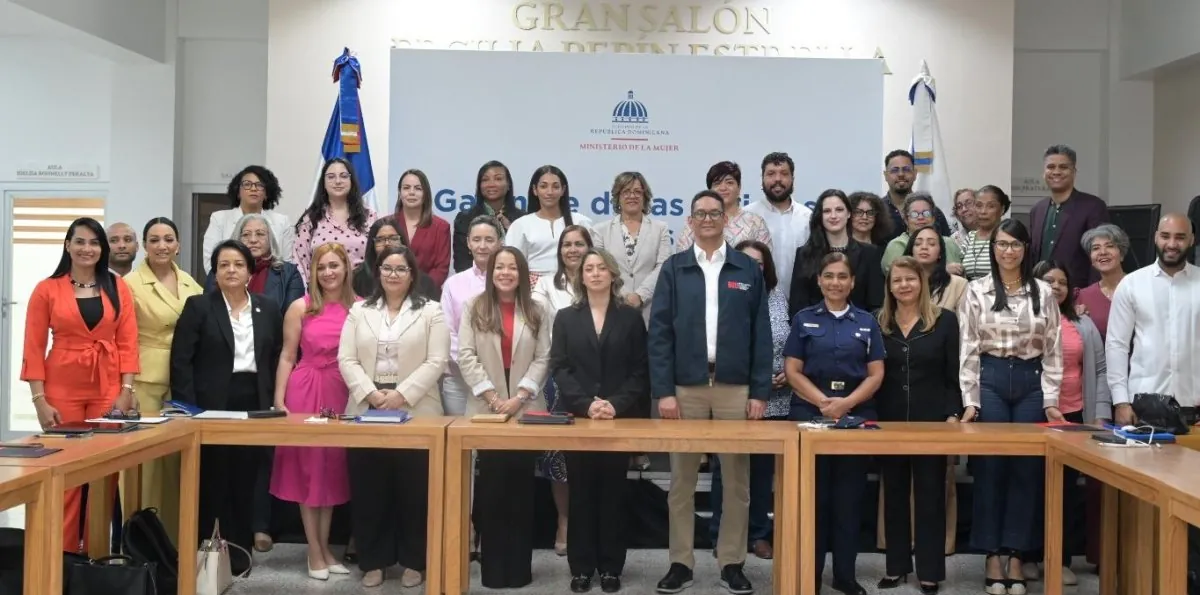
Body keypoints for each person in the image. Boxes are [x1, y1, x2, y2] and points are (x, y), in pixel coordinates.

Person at [649, 190, 771, 595]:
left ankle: (732, 562)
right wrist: (664, 392)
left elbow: (761, 335)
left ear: (724, 218)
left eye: (713, 213)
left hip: (735, 388)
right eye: (699, 213)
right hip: (686, 388)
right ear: (690, 220)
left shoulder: (745, 269)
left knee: (737, 481)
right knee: (682, 480)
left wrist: (759, 392)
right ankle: (680, 563)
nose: (706, 219)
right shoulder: (675, 268)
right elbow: (660, 334)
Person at [958, 219, 1064, 594]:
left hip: (1031, 384)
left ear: (1025, 248)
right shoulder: (976, 290)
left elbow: (1053, 349)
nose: (1008, 251)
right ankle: (990, 552)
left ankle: (1017, 553)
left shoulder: (1043, 291)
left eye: (1015, 244)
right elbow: (968, 347)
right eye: (1002, 244)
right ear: (994, 248)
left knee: (1027, 470)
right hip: (992, 379)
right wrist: (970, 400)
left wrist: (1051, 400)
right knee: (990, 467)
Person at [22, 217, 139, 552]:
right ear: (68, 245)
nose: (87, 249)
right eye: (81, 242)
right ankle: (63, 558)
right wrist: (39, 400)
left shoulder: (118, 287)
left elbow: (128, 342)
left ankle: (96, 557)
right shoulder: (47, 288)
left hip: (107, 385)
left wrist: (126, 391)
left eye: (94, 243)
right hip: (61, 387)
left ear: (102, 249)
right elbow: (32, 347)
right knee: (65, 475)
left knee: (104, 474)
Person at [338, 245, 448, 588]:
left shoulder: (431, 311)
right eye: (387, 268)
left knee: (415, 490)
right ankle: (374, 560)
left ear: (412, 274)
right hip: (366, 408)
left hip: (417, 408)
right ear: (377, 272)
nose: (393, 274)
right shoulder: (360, 311)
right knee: (370, 488)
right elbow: (346, 359)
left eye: (401, 269)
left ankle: (415, 560)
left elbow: (437, 360)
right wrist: (371, 393)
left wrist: (402, 394)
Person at [171, 240, 283, 573]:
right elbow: (181, 362)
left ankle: (239, 554)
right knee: (212, 481)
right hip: (211, 405)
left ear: (250, 271)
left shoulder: (267, 307)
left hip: (255, 403)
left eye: (237, 264)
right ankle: (207, 558)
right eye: (223, 265)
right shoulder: (199, 307)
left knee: (246, 480)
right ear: (215, 272)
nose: (231, 270)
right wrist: (188, 410)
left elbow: (275, 356)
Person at [549, 248, 650, 594]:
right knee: (581, 494)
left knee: (612, 494)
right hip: (579, 419)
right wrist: (587, 404)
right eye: (588, 268)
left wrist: (614, 405)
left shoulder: (630, 317)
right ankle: (581, 568)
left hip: (617, 419)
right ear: (581, 276)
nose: (594, 273)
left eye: (601, 268)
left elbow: (640, 370)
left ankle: (610, 567)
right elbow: (559, 368)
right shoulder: (565, 317)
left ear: (612, 274)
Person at [785, 252, 885, 595]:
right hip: (810, 414)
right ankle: (810, 574)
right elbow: (792, 371)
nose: (835, 282)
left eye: (843, 276)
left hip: (855, 417)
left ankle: (845, 575)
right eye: (829, 276)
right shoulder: (803, 319)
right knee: (813, 499)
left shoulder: (867, 321)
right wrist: (822, 403)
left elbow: (876, 374)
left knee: (849, 498)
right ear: (819, 280)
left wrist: (846, 404)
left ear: (852, 282)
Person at [205, 213, 303, 551]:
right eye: (246, 233)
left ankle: (255, 527)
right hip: (217, 392)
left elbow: (284, 337)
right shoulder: (208, 294)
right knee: (219, 466)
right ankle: (218, 535)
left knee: (257, 461)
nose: (253, 238)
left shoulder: (283, 275)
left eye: (261, 233)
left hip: (261, 384)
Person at [457, 247, 551, 590]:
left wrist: (519, 397)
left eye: (513, 267)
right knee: (491, 490)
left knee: (521, 490)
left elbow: (544, 357)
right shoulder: (474, 306)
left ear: (522, 273)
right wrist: (494, 398)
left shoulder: (538, 309)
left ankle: (519, 569)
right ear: (491, 271)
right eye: (500, 267)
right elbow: (465, 355)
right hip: (486, 410)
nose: (506, 272)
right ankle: (494, 569)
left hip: (525, 409)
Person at [271, 243, 357, 580]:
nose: (329, 273)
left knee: (332, 469)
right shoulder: (300, 307)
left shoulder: (360, 308)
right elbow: (286, 356)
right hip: (305, 388)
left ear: (346, 268)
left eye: (334, 266)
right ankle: (314, 551)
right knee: (308, 468)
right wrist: (280, 399)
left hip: (341, 390)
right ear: (313, 272)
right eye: (322, 267)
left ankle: (326, 548)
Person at [875, 256, 960, 594]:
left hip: (932, 421)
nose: (904, 285)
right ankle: (896, 567)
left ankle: (929, 571)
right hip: (889, 421)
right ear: (889, 286)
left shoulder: (945, 321)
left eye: (910, 279)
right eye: (897, 280)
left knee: (930, 496)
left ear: (921, 282)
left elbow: (954, 373)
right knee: (893, 493)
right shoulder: (877, 322)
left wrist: (953, 412)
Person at [709, 240, 793, 560]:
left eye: (759, 263)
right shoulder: (723, 295)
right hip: (733, 393)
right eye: (746, 261)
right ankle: (721, 533)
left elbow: (790, 340)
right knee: (726, 469)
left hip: (776, 398)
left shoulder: (778, 297)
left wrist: (788, 370)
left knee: (760, 472)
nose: (753, 267)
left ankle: (758, 533)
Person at [125, 217, 203, 543]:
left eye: (168, 239)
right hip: (146, 381)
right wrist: (125, 387)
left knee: (178, 466)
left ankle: (175, 545)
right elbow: (124, 338)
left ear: (178, 244)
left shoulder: (190, 282)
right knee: (146, 469)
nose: (162, 246)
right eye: (154, 240)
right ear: (145, 245)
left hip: (183, 382)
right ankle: (142, 545)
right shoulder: (129, 283)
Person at [1033, 259, 1110, 585]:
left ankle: (1060, 559)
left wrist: (1100, 414)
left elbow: (1101, 370)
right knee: (1032, 489)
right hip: (1033, 414)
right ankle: (1028, 556)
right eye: (1049, 280)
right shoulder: (1026, 319)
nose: (1055, 287)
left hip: (1074, 415)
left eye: (1061, 282)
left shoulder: (1082, 323)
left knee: (1065, 491)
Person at [533, 225, 594, 555]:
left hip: (598, 379)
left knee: (592, 451)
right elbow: (541, 328)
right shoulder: (544, 284)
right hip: (558, 378)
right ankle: (565, 520)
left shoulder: (600, 279)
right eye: (567, 245)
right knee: (558, 454)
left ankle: (590, 521)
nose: (573, 250)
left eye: (579, 244)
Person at [1107, 213, 1200, 426]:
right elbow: (1116, 345)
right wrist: (1121, 402)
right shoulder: (1131, 284)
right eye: (1166, 236)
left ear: (1192, 240)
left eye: (1180, 237)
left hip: (1194, 409)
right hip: (1144, 406)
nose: (1172, 244)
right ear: (1156, 237)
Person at [591, 171, 672, 325]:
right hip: (612, 311)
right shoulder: (600, 231)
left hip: (650, 313)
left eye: (637, 191)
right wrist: (622, 298)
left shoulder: (660, 229)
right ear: (617, 197)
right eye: (626, 191)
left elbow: (664, 266)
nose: (632, 196)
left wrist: (640, 296)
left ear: (645, 196)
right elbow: (600, 268)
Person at [441, 216, 502, 416]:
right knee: (459, 442)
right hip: (459, 380)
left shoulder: (510, 281)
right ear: (468, 243)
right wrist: (473, 370)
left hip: (502, 378)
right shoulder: (454, 283)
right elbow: (448, 333)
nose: (482, 246)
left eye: (489, 240)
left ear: (500, 242)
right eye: (476, 239)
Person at [789, 189, 884, 317]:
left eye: (839, 210)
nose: (833, 216)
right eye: (827, 211)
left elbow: (876, 305)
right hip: (814, 332)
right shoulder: (804, 254)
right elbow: (797, 306)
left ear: (849, 213)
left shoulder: (870, 254)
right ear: (820, 216)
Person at [1029, 144, 1110, 289]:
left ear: (1074, 171)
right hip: (1041, 294)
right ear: (1044, 172)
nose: (1056, 172)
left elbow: (1099, 256)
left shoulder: (1093, 207)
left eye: (1063, 167)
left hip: (1077, 295)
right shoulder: (1037, 210)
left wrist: (1091, 295)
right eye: (1051, 167)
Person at [292, 157, 378, 285]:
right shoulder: (310, 219)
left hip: (362, 292)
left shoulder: (369, 216)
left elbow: (378, 257)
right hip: (322, 293)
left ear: (351, 181)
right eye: (331, 177)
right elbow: (300, 262)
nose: (338, 181)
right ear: (323, 183)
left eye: (343, 176)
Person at [744, 152, 813, 300]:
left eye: (784, 174)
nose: (777, 179)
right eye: (771, 174)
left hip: (799, 303)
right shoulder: (747, 215)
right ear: (762, 179)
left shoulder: (808, 217)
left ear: (792, 179)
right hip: (754, 302)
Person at [203, 165, 294, 272]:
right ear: (238, 192)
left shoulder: (282, 222)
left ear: (266, 194)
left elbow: (287, 263)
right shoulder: (219, 219)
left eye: (259, 185)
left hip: (272, 284)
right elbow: (211, 262)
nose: (253, 188)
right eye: (247, 184)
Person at [505, 165, 594, 276]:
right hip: (533, 287)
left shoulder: (581, 222)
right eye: (543, 186)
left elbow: (593, 258)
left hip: (575, 283)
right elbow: (511, 262)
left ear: (563, 190)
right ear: (535, 190)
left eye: (555, 187)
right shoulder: (521, 225)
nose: (550, 192)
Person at [675, 161, 771, 252]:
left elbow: (764, 261)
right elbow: (682, 259)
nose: (723, 188)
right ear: (710, 190)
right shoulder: (696, 222)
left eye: (729, 182)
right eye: (717, 183)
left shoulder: (756, 223)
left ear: (739, 187)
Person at [452, 160, 525, 272]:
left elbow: (527, 257)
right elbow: (461, 263)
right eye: (485, 180)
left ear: (508, 184)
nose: (491, 184)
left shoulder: (523, 219)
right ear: (479, 186)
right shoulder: (465, 218)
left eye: (498, 179)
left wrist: (512, 230)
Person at [394, 168, 451, 292]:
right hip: (391, 291)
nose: (411, 192)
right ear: (400, 192)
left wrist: (419, 289)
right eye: (406, 188)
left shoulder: (441, 227)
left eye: (418, 188)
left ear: (426, 194)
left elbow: (441, 268)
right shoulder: (387, 224)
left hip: (427, 295)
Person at [352, 216, 436, 300]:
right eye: (380, 240)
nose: (387, 244)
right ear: (372, 245)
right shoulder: (358, 279)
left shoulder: (424, 282)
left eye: (393, 238)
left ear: (402, 242)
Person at [881, 192, 964, 274]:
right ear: (906, 219)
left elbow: (961, 274)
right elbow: (900, 277)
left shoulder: (949, 243)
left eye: (926, 213)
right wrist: (942, 270)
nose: (920, 217)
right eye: (914, 214)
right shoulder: (897, 245)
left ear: (933, 218)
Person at [881, 150, 951, 240]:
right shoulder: (876, 212)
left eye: (906, 169)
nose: (901, 174)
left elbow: (947, 247)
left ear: (915, 174)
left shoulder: (934, 213)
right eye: (895, 170)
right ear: (886, 175)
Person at [1075, 224, 1131, 337]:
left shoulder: (1140, 286)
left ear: (1122, 254)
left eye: (1110, 246)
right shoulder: (1083, 296)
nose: (1103, 252)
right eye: (1096, 248)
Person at [904, 226, 968, 310]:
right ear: (911, 251)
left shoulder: (959, 285)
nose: (924, 247)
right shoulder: (903, 284)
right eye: (918, 244)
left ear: (940, 253)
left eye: (931, 244)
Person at [959, 186, 1011, 281]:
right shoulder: (970, 237)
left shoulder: (1007, 238)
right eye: (979, 206)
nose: (983, 211)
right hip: (970, 293)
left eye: (991, 206)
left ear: (1002, 209)